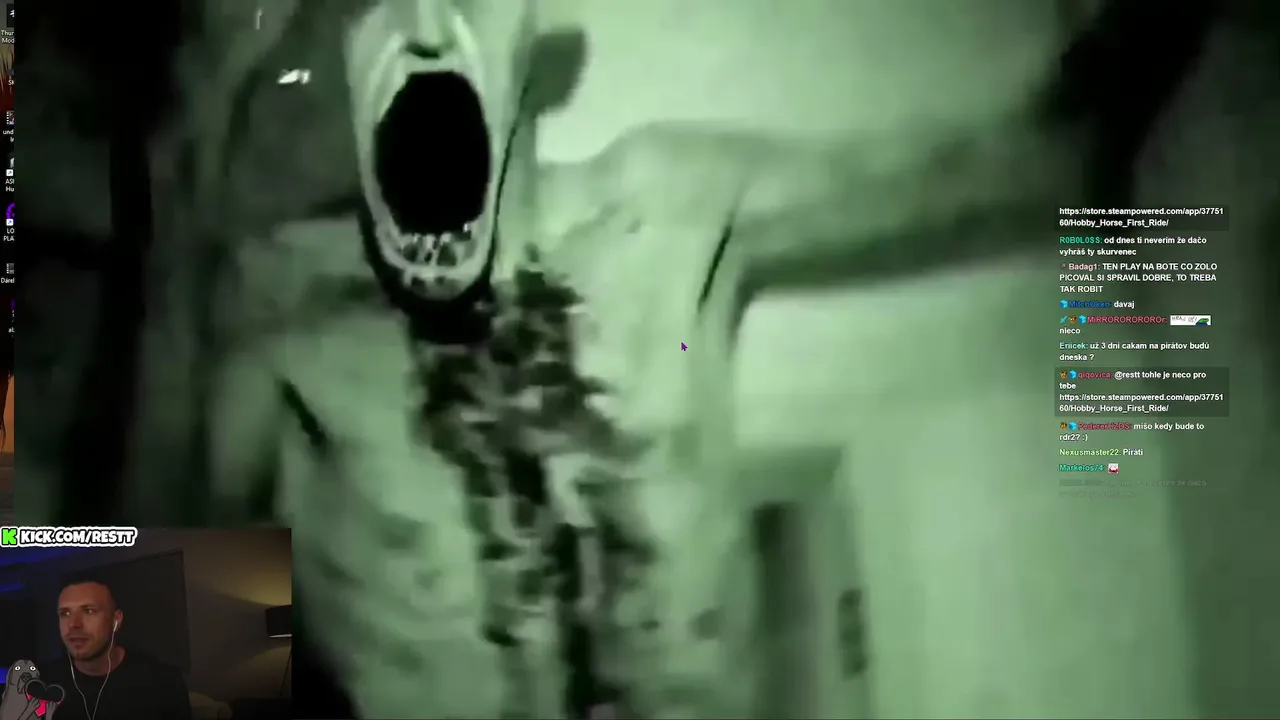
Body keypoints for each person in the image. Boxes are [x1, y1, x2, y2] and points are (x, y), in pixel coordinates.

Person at [195, 1, 1088, 718]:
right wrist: (177, 181)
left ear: (534, 35)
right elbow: (162, 645)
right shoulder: (289, 314)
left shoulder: (667, 218)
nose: (426, 20)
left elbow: (1036, 159)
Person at [38, 577, 191, 720]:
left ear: (116, 620)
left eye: (89, 610)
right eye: (65, 613)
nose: (73, 624)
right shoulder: (40, 683)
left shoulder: (163, 683)